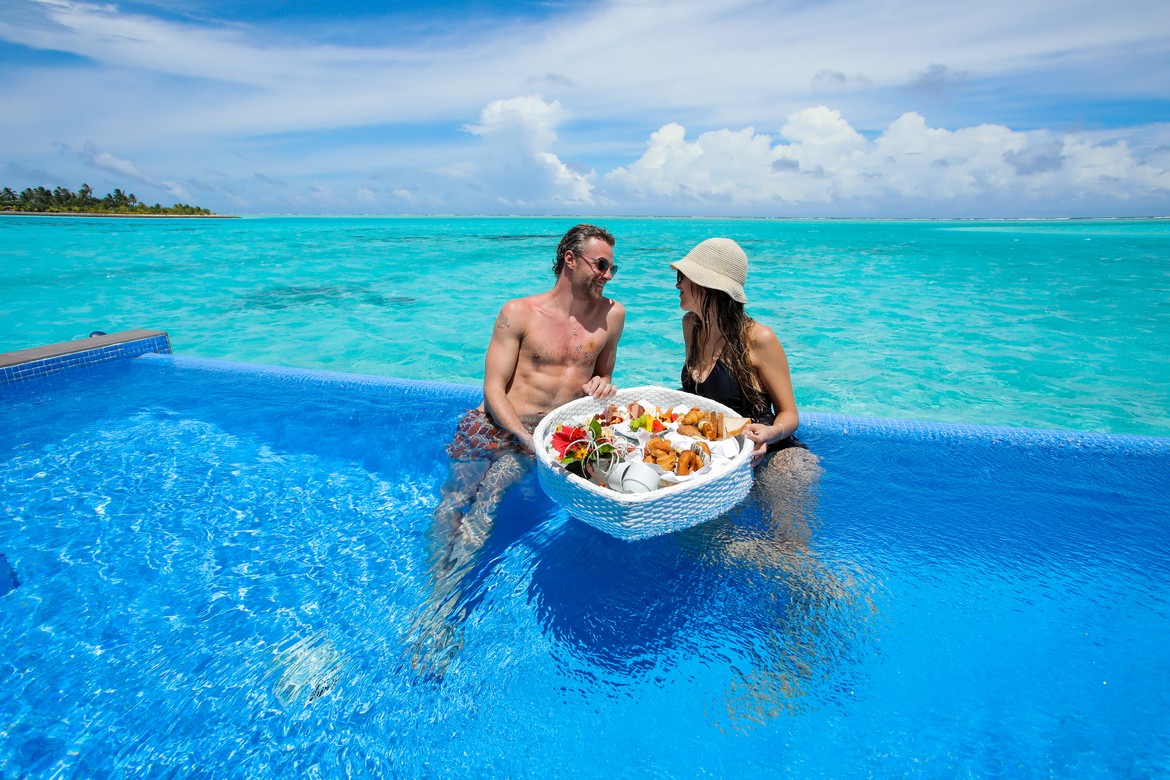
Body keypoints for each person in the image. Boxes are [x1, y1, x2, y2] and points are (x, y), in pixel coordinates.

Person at [409, 223, 626, 677]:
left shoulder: (612, 316)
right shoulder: (519, 312)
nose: (607, 275)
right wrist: (521, 437)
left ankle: (443, 610)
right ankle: (433, 594)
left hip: (539, 433)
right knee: (454, 502)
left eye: (612, 267)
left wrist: (604, 386)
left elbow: (602, 380)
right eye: (601, 264)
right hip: (492, 422)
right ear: (570, 259)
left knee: (486, 505)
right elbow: (492, 387)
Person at [671, 237, 822, 528]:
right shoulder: (691, 326)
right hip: (723, 458)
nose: (677, 285)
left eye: (683, 277)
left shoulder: (758, 339)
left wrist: (771, 433)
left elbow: (790, 415)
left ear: (707, 285)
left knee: (789, 549)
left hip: (773, 457)